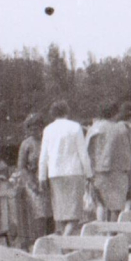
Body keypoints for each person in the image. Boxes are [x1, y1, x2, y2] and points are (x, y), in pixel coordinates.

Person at [38, 100, 93, 236]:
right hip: (73, 172)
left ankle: (64, 243)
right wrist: (89, 173)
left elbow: (43, 156)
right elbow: (83, 153)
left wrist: (42, 177)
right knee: (75, 213)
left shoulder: (48, 129)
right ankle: (64, 242)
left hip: (55, 174)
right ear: (67, 112)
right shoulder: (75, 127)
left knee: (61, 214)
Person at [86, 102, 131, 221]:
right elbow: (130, 151)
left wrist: (88, 173)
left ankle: (102, 234)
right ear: (115, 113)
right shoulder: (122, 128)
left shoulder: (94, 129)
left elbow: (87, 152)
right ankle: (112, 233)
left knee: (101, 205)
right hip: (120, 170)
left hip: (99, 171)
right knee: (116, 206)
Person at [16, 113, 52, 243]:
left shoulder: (48, 140)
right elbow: (21, 167)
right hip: (33, 182)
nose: (34, 131)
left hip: (48, 181)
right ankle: (40, 244)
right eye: (30, 128)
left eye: (37, 128)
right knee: (40, 215)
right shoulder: (26, 144)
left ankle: (51, 243)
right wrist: (31, 183)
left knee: (51, 216)